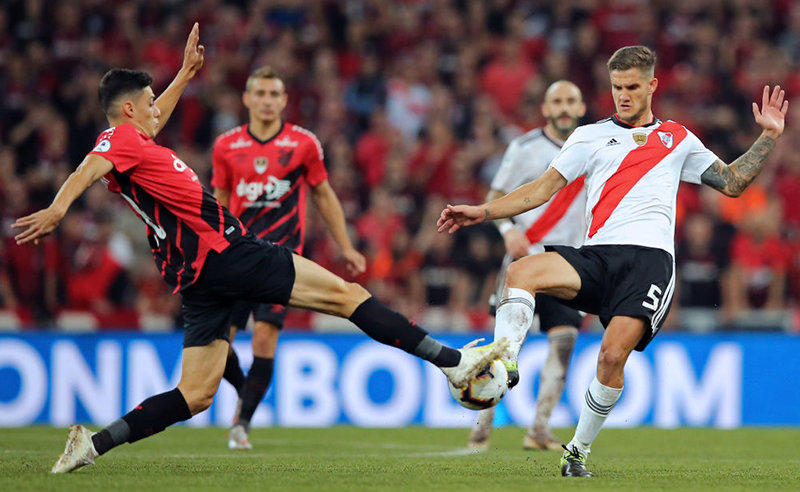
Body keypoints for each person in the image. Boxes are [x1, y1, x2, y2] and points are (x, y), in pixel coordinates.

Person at [12, 24, 507, 474]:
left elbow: (142, 130)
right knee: (347, 297)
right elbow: (87, 169)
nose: (156, 107)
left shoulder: (137, 142)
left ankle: (91, 446)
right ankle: (453, 362)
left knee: (196, 393)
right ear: (128, 110)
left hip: (197, 276)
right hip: (229, 253)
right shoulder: (119, 138)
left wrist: (184, 73)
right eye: (148, 101)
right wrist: (58, 209)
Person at [437, 45, 787, 477]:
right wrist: (483, 211)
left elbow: (732, 183)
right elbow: (540, 189)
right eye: (617, 87)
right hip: (597, 256)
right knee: (520, 271)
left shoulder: (677, 138)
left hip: (649, 266)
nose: (623, 95)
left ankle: (576, 452)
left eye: (632, 87)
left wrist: (768, 136)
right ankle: (505, 361)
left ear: (652, 86)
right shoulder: (588, 136)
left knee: (609, 358)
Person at [211, 66, 366, 450]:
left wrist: (345, 246)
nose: (266, 101)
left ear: (284, 100)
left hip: (281, 261)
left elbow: (324, 195)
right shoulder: (226, 146)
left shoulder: (303, 144)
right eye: (259, 93)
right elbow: (220, 203)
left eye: (273, 94)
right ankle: (247, 391)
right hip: (236, 257)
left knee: (264, 338)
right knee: (219, 345)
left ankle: (241, 423)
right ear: (247, 99)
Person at [468, 80, 587, 452]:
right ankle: (483, 424)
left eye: (570, 101)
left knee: (564, 341)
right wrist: (506, 230)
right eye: (557, 102)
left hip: (570, 260)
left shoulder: (596, 146)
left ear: (582, 108)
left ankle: (538, 429)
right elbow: (494, 195)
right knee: (505, 346)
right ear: (545, 110)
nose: (564, 107)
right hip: (526, 254)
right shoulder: (524, 147)